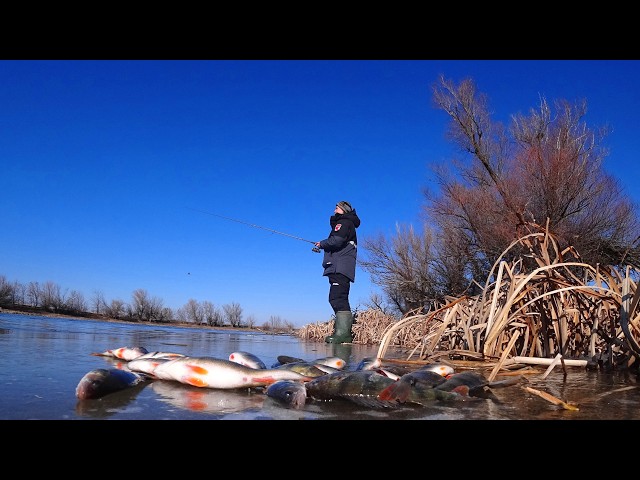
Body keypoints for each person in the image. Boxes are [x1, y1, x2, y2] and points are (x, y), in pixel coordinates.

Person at [314, 200, 361, 343]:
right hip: (340, 267)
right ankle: (342, 333)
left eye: (337, 208)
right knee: (338, 298)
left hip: (340, 268)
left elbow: (337, 241)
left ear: (343, 210)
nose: (334, 210)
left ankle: (343, 334)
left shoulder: (344, 223)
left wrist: (321, 244)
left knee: (337, 298)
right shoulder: (347, 223)